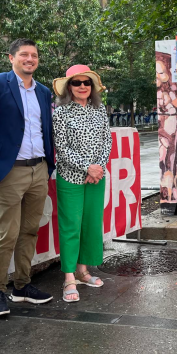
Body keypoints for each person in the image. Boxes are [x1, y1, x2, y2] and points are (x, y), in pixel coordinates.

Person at [0, 38, 55, 317]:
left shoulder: (43, 91)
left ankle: (22, 285)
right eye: (24, 54)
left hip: (39, 170)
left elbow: (43, 129)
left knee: (29, 231)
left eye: (34, 55)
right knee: (7, 233)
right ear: (10, 58)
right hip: (9, 171)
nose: (30, 59)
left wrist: (48, 166)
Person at [52, 65, 112, 303]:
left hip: (96, 177)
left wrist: (97, 168)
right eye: (76, 83)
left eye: (86, 82)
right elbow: (62, 147)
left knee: (90, 224)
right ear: (69, 87)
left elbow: (107, 140)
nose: (82, 87)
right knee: (70, 227)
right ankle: (68, 278)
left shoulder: (100, 109)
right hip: (71, 177)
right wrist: (87, 167)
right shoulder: (61, 112)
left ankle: (83, 271)